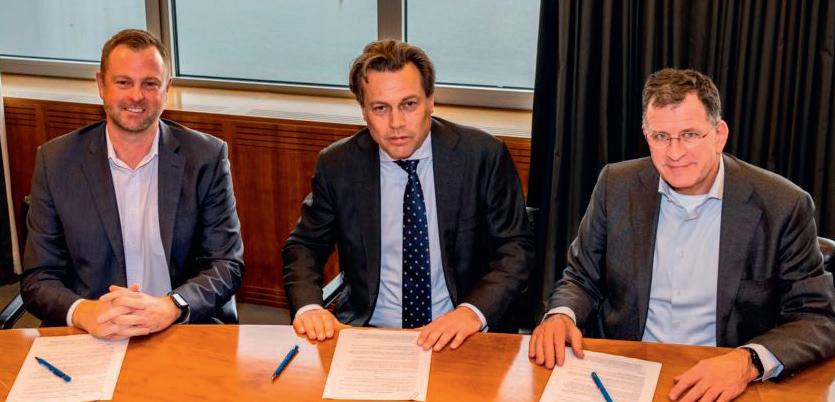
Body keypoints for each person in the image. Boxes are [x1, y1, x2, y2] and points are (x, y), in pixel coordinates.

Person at [529, 68, 835, 401]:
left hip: (728, 380)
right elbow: (581, 277)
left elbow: (817, 318)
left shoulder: (783, 205)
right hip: (625, 372)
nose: (674, 153)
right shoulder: (616, 186)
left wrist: (748, 361)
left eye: (689, 134)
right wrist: (561, 315)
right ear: (646, 135)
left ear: (719, 134)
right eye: (661, 136)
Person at [283, 40, 533, 351]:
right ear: (364, 111)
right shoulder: (339, 164)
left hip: (461, 334)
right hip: (368, 334)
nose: (396, 123)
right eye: (380, 108)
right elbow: (305, 245)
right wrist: (310, 307)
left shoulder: (482, 156)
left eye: (409, 104)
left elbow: (516, 248)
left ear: (431, 100)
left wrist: (471, 313)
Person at [21, 29, 244, 339]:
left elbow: (226, 263)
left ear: (167, 88)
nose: (137, 96)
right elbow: (38, 277)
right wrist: (84, 312)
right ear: (101, 85)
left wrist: (172, 306)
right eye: (123, 82)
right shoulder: (56, 161)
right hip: (92, 333)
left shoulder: (205, 157)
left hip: (179, 327)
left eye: (150, 84)